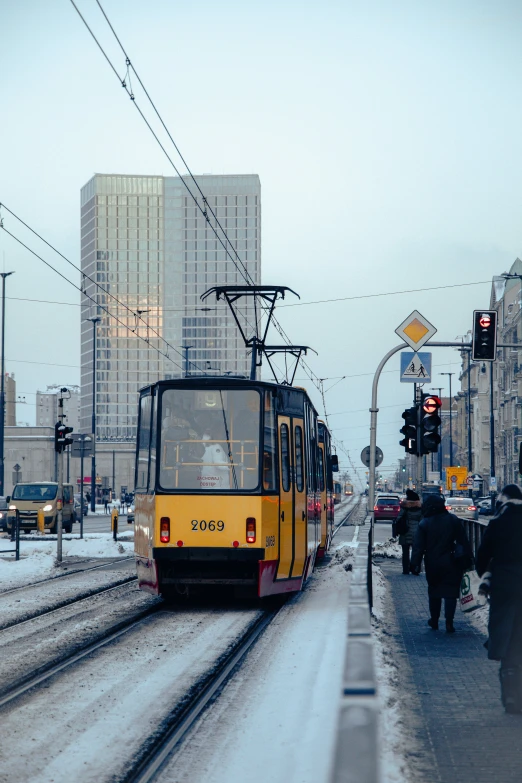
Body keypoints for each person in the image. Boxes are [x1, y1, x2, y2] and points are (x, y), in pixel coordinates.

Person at [476, 484, 522, 714]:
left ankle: (511, 694)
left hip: (503, 589)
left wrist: (486, 578)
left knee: (507, 638)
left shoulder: (497, 522)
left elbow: (482, 556)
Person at [411, 494, 472, 633]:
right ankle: (449, 622)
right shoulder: (453, 520)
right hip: (452, 562)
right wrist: (468, 559)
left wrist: (415, 563)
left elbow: (418, 546)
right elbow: (463, 541)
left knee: (434, 592)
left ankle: (434, 620)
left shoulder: (425, 523)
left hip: (433, 563)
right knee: (450, 593)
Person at [395, 489, 422, 575]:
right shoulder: (420, 508)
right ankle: (415, 569)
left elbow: (398, 518)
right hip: (417, 533)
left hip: (405, 533)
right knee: (416, 552)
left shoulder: (404, 508)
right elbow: (423, 520)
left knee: (405, 553)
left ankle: (406, 570)